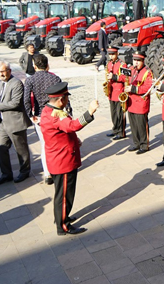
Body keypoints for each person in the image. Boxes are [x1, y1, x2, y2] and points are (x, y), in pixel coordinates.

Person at [41, 82, 99, 235]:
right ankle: (63, 225)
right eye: (66, 98)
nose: (67, 101)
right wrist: (90, 112)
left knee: (63, 193)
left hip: (58, 158)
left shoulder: (49, 110)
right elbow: (72, 125)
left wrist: (74, 140)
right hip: (63, 161)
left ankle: (62, 216)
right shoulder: (56, 115)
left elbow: (63, 132)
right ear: (61, 100)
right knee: (65, 195)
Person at [0, 61, 33, 185]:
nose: (0, 74)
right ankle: (6, 174)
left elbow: (15, 103)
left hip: (15, 122)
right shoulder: (2, 84)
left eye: (3, 71)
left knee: (21, 149)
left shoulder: (16, 83)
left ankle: (25, 171)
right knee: (1, 148)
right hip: (3, 123)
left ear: (9, 71)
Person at [23, 54, 63, 185]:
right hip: (56, 114)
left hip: (40, 116)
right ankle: (59, 168)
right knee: (57, 142)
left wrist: (30, 114)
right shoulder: (55, 78)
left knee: (44, 144)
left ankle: (47, 173)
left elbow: (26, 99)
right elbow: (63, 96)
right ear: (47, 65)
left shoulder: (30, 80)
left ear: (34, 66)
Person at [125, 51, 153, 154]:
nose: (136, 63)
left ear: (143, 61)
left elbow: (147, 88)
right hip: (131, 102)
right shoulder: (131, 70)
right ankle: (136, 143)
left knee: (141, 126)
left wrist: (133, 88)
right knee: (133, 125)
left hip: (141, 103)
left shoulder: (147, 72)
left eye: (138, 61)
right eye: (134, 60)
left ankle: (144, 145)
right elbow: (126, 79)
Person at [104, 46, 128, 141]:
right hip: (111, 91)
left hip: (119, 92)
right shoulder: (109, 64)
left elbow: (125, 78)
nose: (111, 56)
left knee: (119, 113)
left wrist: (114, 77)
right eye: (110, 54)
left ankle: (121, 132)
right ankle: (115, 129)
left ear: (117, 54)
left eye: (113, 54)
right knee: (113, 113)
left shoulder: (122, 64)